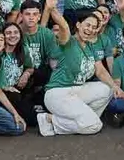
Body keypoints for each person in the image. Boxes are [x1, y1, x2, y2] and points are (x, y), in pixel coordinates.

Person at [36, 9, 115, 137]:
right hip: (57, 94)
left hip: (76, 91)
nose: (90, 29)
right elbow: (64, 27)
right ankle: (50, 119)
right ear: (78, 25)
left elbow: (100, 70)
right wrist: (51, 8)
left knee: (107, 89)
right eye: (88, 25)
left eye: (94, 27)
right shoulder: (69, 42)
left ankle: (83, 119)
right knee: (95, 126)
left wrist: (116, 87)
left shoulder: (90, 46)